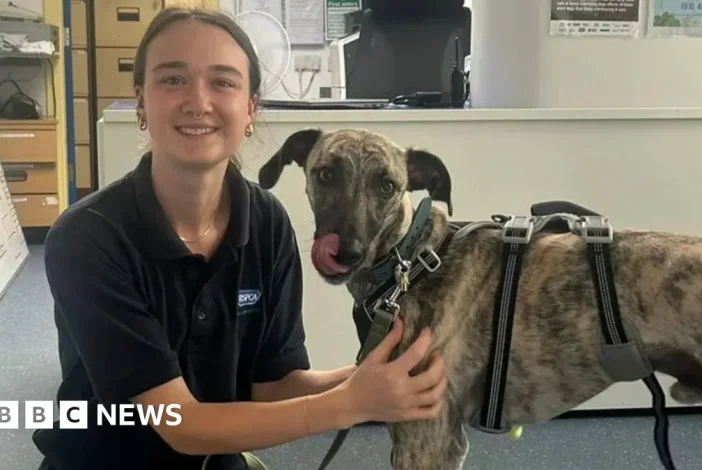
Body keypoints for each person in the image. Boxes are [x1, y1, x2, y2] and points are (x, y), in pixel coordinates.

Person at [32, 7, 447, 470]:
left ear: (250, 109)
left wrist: (371, 381)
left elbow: (271, 385)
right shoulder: (88, 238)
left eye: (223, 82)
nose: (198, 101)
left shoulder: (266, 221)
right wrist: (349, 403)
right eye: (172, 80)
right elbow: (180, 423)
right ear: (141, 103)